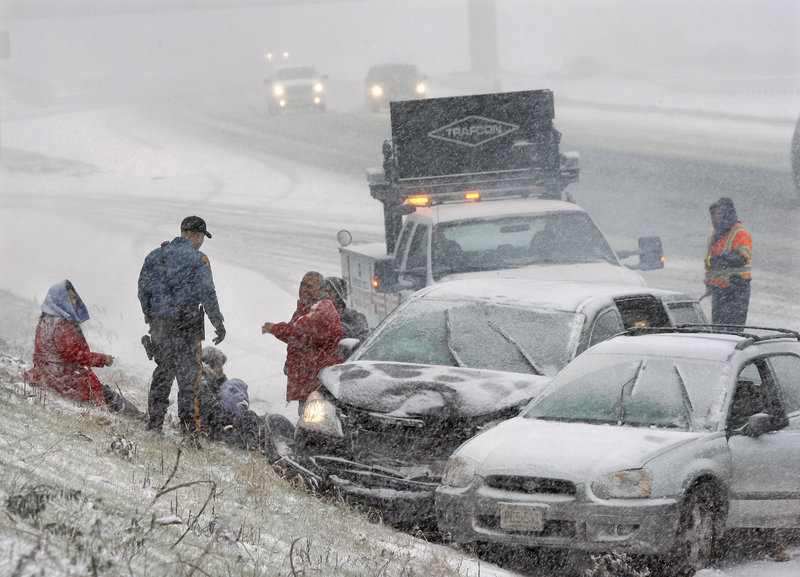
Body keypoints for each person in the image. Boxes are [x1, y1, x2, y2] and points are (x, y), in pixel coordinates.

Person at [138, 216, 226, 436]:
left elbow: (143, 291)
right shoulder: (199, 259)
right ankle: (189, 431)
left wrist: (152, 318)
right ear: (197, 236)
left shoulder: (154, 256)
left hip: (160, 325)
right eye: (202, 237)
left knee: (163, 373)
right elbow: (208, 294)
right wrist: (218, 322)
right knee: (189, 380)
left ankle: (155, 423)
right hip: (187, 327)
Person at [25, 280, 144, 419]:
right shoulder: (61, 323)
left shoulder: (46, 320)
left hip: (47, 374)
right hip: (64, 377)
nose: (74, 302)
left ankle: (138, 417)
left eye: (74, 298)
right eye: (69, 298)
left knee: (106, 393)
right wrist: (102, 359)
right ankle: (141, 419)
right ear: (60, 300)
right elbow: (71, 355)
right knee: (108, 395)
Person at [262, 271, 343, 415]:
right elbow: (299, 341)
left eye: (310, 286)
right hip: (309, 384)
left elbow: (299, 332)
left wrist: (275, 328)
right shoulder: (306, 308)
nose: (303, 289)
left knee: (314, 428)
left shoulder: (323, 309)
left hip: (318, 385)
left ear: (321, 290)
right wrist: (290, 365)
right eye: (302, 284)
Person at [197, 346, 295, 459]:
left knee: (279, 420)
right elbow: (217, 414)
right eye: (219, 366)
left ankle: (304, 446)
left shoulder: (214, 381)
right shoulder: (203, 384)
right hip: (229, 430)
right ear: (209, 364)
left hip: (240, 423)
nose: (222, 369)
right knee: (273, 436)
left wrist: (222, 381)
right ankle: (299, 453)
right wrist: (245, 418)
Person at [704, 197, 752, 327]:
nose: (718, 216)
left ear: (728, 213)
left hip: (737, 288)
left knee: (733, 329)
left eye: (720, 213)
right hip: (719, 291)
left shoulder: (740, 232)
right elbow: (710, 265)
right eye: (716, 213)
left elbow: (741, 258)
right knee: (718, 329)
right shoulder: (714, 234)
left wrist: (717, 260)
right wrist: (709, 284)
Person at [324, 276, 370, 343]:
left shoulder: (353, 317)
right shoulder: (315, 316)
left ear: (338, 295)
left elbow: (363, 343)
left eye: (330, 291)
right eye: (324, 291)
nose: (327, 295)